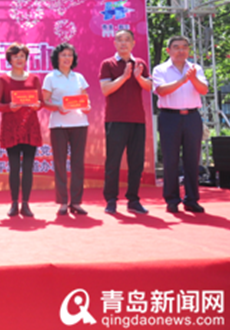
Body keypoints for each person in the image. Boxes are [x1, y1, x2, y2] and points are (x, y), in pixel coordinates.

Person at [152, 36, 209, 214]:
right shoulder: (160, 69)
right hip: (170, 117)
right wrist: (182, 80)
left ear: (188, 50)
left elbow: (204, 90)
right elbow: (161, 91)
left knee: (192, 159)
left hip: (192, 117)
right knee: (171, 159)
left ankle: (191, 199)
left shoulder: (195, 69)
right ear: (168, 50)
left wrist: (192, 78)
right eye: (176, 47)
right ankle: (172, 199)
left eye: (184, 47)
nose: (181, 50)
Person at [99, 29, 152, 215]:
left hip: (137, 119)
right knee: (113, 161)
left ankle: (133, 199)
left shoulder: (140, 63)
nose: (123, 43)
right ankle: (111, 199)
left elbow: (149, 86)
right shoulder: (108, 64)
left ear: (133, 43)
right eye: (120, 40)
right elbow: (106, 89)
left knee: (136, 162)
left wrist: (138, 77)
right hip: (115, 119)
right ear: (114, 43)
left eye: (127, 40)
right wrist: (124, 77)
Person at [0, 43, 43, 218]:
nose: (19, 59)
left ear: (26, 58)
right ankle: (14, 203)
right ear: (10, 60)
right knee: (14, 168)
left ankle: (26, 204)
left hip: (30, 127)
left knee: (28, 168)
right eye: (15, 56)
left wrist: (37, 105)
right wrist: (9, 107)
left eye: (22, 56)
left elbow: (41, 102)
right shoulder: (2, 80)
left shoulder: (34, 79)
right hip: (11, 128)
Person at [42, 42, 90, 216]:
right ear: (57, 58)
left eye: (70, 55)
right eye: (63, 55)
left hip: (80, 123)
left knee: (78, 164)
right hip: (59, 125)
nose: (67, 58)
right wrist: (57, 107)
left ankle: (76, 202)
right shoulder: (50, 78)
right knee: (60, 164)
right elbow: (44, 102)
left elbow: (86, 99)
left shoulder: (79, 77)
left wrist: (87, 107)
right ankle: (62, 201)